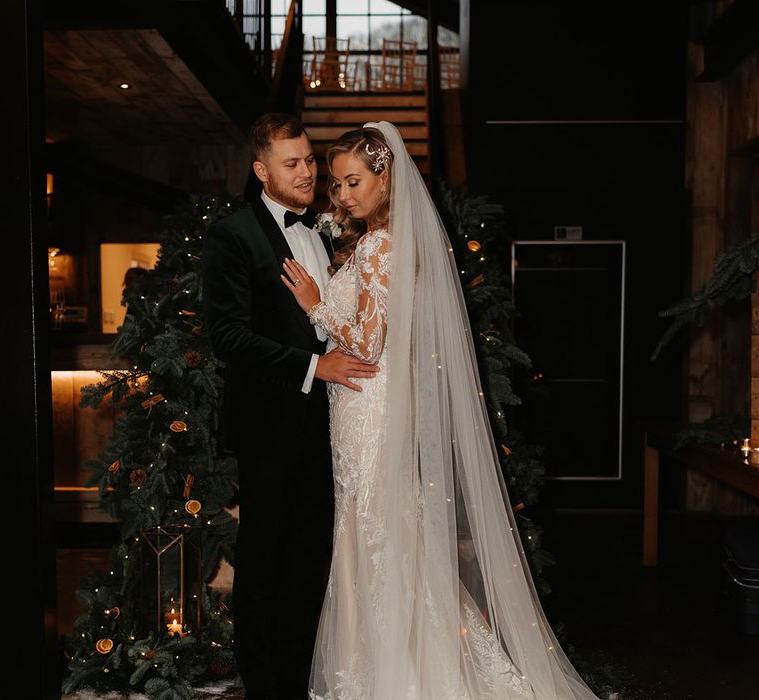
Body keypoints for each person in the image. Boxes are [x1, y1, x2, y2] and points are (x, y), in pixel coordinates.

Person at [281, 123, 601, 699]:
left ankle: (391, 674)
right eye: (338, 184)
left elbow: (370, 341)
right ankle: (390, 664)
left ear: (386, 176)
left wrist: (314, 307)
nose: (344, 195)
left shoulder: (381, 245)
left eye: (354, 181)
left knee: (372, 533)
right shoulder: (385, 239)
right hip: (358, 407)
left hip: (366, 406)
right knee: (375, 533)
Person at [202, 113, 379, 700]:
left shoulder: (332, 229)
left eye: (308, 160)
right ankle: (265, 689)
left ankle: (305, 680)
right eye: (292, 163)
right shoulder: (234, 236)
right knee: (263, 568)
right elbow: (227, 335)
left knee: (311, 563)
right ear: (261, 171)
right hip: (270, 424)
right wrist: (312, 367)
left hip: (333, 424)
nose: (307, 172)